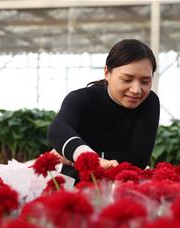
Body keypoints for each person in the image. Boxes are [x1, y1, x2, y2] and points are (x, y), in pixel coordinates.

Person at [48, 39, 160, 180]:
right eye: (127, 79)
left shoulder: (149, 102)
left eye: (145, 81)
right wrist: (91, 159)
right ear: (107, 72)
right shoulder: (83, 98)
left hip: (121, 187)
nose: (136, 90)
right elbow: (58, 129)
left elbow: (138, 159)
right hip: (76, 184)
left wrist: (77, 157)